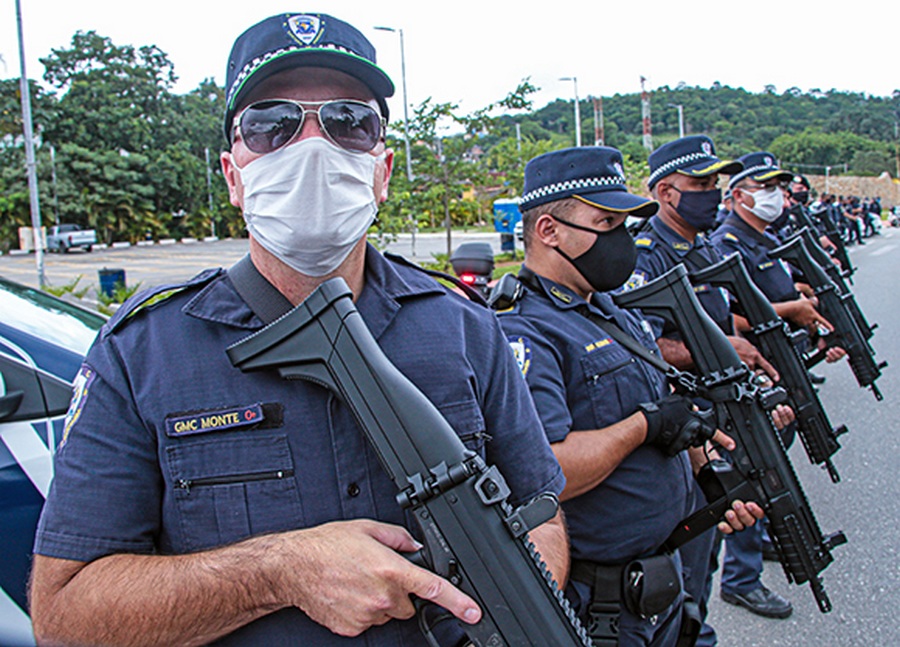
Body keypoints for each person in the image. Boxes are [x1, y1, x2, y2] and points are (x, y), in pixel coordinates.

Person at [29, 13, 569, 646]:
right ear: (234, 175)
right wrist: (275, 572)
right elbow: (65, 619)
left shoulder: (465, 329)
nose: (313, 146)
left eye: (349, 122)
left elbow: (542, 516)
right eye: (271, 125)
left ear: (382, 170)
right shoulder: (142, 353)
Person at [494, 146, 763, 646]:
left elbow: (664, 403)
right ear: (549, 230)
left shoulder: (613, 311)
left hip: (665, 580)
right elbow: (547, 473)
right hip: (602, 605)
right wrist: (643, 425)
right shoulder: (526, 330)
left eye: (623, 224)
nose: (621, 241)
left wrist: (709, 476)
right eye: (606, 223)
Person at [629, 136, 794, 632]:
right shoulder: (648, 254)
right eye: (699, 184)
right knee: (691, 562)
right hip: (689, 425)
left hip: (724, 409)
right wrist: (719, 348)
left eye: (714, 183)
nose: (712, 193)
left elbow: (722, 324)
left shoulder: (703, 248)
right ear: (665, 192)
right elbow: (644, 345)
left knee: (719, 536)